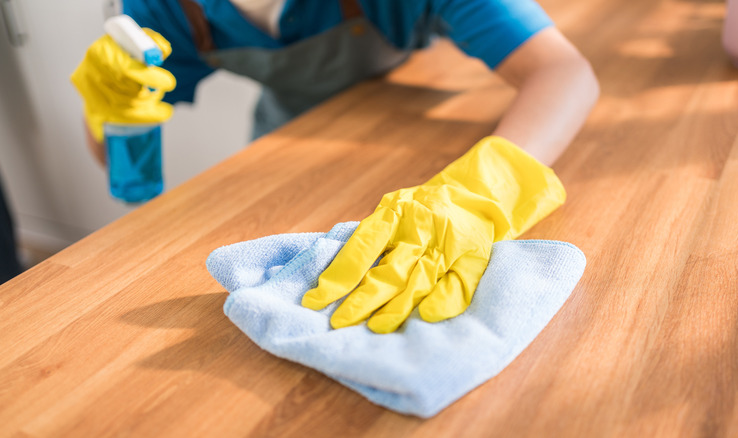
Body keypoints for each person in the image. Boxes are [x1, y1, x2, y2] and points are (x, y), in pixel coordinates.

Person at [72, 0, 599, 333]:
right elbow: (125, 178)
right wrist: (107, 114)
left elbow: (563, 72)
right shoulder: (161, 9)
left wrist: (479, 191)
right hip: (284, 161)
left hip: (420, 149)